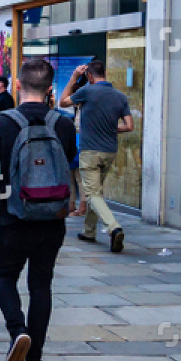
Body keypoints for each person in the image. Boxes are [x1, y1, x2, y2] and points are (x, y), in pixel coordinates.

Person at [0, 58, 79, 361]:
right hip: (53, 218)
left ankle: (18, 330)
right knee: (41, 284)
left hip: (13, 216)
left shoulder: (2, 123)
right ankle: (34, 360)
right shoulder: (62, 124)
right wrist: (76, 200)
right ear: (50, 90)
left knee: (3, 277)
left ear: (17, 85)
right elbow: (71, 165)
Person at [60, 58, 134, 252]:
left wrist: (74, 77)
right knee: (96, 192)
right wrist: (109, 128)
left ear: (90, 76)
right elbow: (129, 126)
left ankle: (113, 227)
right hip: (110, 151)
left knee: (92, 192)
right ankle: (89, 231)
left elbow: (63, 101)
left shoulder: (87, 91)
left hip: (90, 151)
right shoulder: (119, 96)